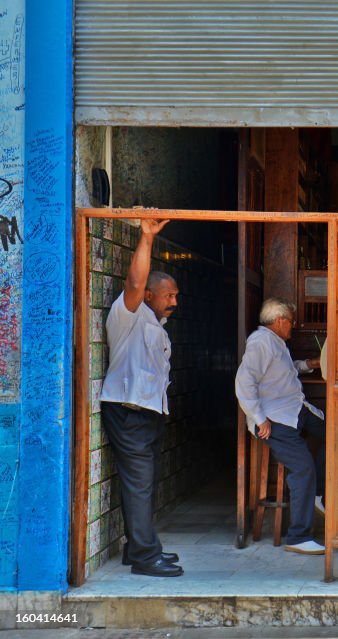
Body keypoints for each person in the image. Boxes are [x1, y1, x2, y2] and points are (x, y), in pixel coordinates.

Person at [99, 219, 184, 577]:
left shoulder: (155, 327)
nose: (174, 302)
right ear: (147, 295)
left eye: (176, 296)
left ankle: (138, 548)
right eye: (169, 295)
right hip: (127, 412)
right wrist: (147, 236)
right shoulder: (127, 316)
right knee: (139, 483)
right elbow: (134, 281)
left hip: (147, 414)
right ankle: (146, 558)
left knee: (142, 484)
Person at [236, 298, 328, 555]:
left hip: (296, 410)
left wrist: (309, 364)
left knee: (336, 432)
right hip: (276, 419)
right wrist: (258, 417)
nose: (293, 326)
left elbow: (284, 372)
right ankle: (298, 536)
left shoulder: (276, 343)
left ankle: (319, 494)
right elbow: (244, 381)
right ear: (279, 321)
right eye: (290, 321)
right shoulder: (260, 342)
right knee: (302, 468)